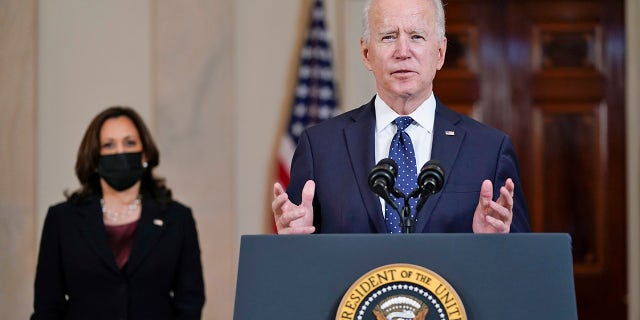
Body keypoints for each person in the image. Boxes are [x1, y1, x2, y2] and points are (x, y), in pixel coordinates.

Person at [272, 0, 531, 234]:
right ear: (366, 53)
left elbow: (521, 266)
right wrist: (295, 244)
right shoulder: (320, 147)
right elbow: (297, 268)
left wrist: (496, 245)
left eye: (416, 36)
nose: (403, 51)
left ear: (439, 53)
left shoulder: (489, 150)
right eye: (388, 37)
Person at [31, 106, 205, 319]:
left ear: (145, 153)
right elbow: (47, 306)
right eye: (109, 145)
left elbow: (189, 302)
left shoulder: (177, 218)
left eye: (129, 142)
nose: (120, 152)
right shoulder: (62, 220)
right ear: (95, 158)